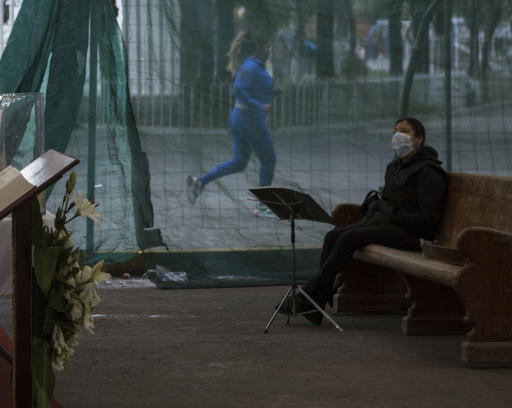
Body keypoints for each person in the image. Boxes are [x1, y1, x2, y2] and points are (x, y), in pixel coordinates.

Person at [283, 117, 448, 325]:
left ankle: (310, 295)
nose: (398, 136)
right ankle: (316, 302)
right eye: (395, 131)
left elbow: (429, 219)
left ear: (419, 138)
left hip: (412, 235)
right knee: (333, 235)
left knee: (350, 238)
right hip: (387, 225)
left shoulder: (429, 172)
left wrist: (394, 215)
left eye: (404, 132)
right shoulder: (394, 168)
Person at [186, 31, 276, 204]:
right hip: (249, 120)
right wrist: (260, 106)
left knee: (239, 162)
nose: (269, 51)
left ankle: (200, 182)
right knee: (268, 159)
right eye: (267, 47)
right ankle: (264, 206)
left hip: (242, 118)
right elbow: (238, 90)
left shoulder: (254, 66)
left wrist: (272, 94)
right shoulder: (251, 66)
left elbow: (251, 91)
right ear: (258, 47)